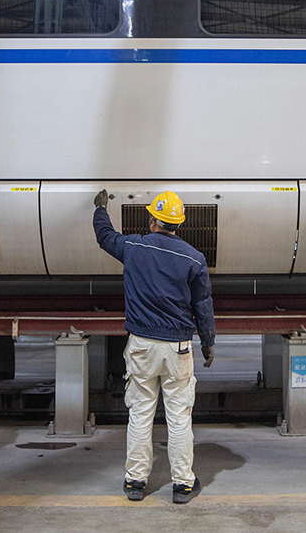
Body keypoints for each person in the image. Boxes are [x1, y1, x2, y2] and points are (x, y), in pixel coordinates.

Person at [92, 189, 215, 504]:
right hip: (178, 348)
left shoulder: (133, 246)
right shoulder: (194, 258)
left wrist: (101, 208)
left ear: (152, 221)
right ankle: (183, 485)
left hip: (142, 345)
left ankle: (135, 482)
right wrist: (208, 342)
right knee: (178, 416)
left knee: (141, 413)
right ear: (178, 225)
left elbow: (105, 237)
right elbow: (203, 305)